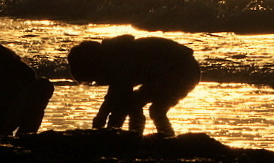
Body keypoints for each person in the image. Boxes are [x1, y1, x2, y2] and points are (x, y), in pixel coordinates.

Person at [67, 34, 201, 137]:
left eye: (92, 79)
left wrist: (108, 131)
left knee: (145, 107)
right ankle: (156, 136)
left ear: (93, 65)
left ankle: (153, 137)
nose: (97, 81)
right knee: (144, 106)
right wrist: (101, 121)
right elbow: (113, 95)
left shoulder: (119, 62)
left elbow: (118, 103)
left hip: (182, 70)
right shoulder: (115, 56)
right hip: (182, 67)